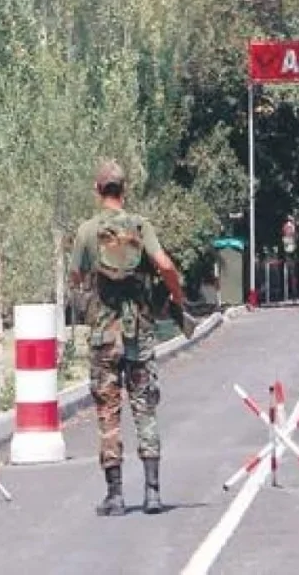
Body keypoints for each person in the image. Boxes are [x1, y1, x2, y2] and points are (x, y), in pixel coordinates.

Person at [70, 161, 186, 516]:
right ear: (124, 190)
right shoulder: (139, 226)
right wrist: (177, 298)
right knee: (145, 409)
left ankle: (116, 496)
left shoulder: (88, 232)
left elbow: (76, 277)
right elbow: (164, 265)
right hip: (139, 336)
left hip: (105, 338)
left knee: (108, 413)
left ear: (97, 190)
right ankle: (152, 493)